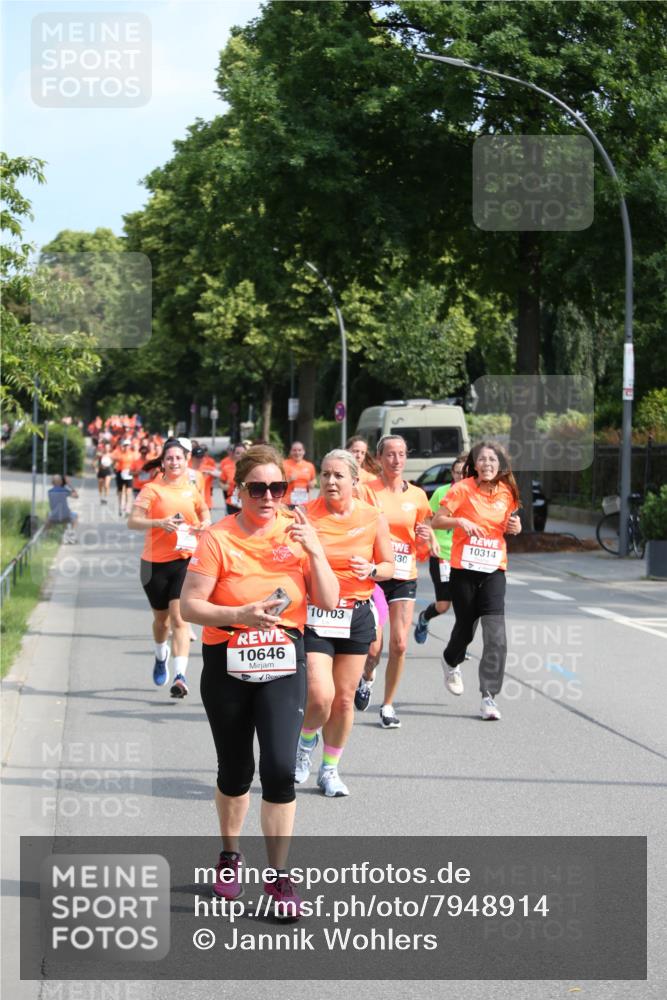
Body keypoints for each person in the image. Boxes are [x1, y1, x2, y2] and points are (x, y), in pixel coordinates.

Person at [179, 445, 338, 917]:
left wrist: (315, 551)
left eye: (277, 488)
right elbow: (190, 605)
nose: (268, 497)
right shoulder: (217, 537)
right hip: (226, 658)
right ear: (239, 490)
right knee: (235, 771)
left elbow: (328, 601)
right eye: (258, 488)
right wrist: (239, 614)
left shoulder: (298, 530)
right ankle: (230, 855)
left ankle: (279, 878)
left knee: (278, 769)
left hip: (284, 660)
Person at [294, 449, 393, 796]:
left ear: (355, 480)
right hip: (317, 615)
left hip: (356, 613)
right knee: (320, 696)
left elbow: (390, 565)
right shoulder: (306, 515)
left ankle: (330, 770)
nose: (330, 481)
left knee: (344, 700)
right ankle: (304, 747)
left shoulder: (372, 516)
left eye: (338, 475)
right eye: (325, 474)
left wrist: (374, 570)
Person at [431, 441, 522, 721]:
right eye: (481, 460)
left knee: (496, 637)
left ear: (500, 465)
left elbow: (511, 523)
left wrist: (517, 527)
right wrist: (460, 523)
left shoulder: (507, 493)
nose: (486, 464)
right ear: (475, 464)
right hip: (464, 569)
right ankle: (450, 659)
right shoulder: (462, 489)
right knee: (466, 629)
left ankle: (488, 697)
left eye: (492, 460)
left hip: (494, 569)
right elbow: (437, 520)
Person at [355, 434, 437, 728]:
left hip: (404, 575)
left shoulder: (417, 495)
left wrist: (426, 538)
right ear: (378, 459)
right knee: (373, 648)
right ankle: (366, 677)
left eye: (402, 454)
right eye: (390, 454)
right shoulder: (366, 492)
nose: (397, 460)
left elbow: (423, 533)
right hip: (375, 576)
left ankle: (387, 705)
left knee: (400, 644)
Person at [127, 438, 210, 698]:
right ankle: (160, 654)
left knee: (179, 619)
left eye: (179, 458)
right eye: (170, 458)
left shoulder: (192, 489)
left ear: (186, 462)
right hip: (153, 565)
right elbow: (133, 521)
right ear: (163, 462)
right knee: (161, 622)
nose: (175, 462)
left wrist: (203, 525)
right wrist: (159, 523)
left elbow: (205, 514)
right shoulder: (152, 489)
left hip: (184, 560)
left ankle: (180, 676)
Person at [413, 455, 474, 693]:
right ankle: (425, 618)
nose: (460, 476)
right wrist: (432, 543)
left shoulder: (472, 494)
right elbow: (429, 520)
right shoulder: (441, 493)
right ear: (452, 473)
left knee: (465, 607)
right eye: (457, 472)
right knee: (443, 605)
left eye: (464, 472)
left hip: (464, 558)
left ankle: (457, 648)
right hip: (442, 556)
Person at [46, 475, 79, 543]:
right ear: (61, 482)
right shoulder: (65, 491)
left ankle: (47, 535)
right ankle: (71, 535)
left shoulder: (49, 492)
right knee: (75, 516)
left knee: (48, 514)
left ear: (52, 483)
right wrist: (69, 484)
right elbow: (76, 496)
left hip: (53, 518)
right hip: (66, 517)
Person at [283, 441, 317, 506]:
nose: (297, 453)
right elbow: (278, 483)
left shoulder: (309, 465)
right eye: (294, 450)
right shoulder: (284, 464)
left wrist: (313, 483)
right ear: (290, 452)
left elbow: (314, 480)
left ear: (304, 452)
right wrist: (289, 479)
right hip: (287, 502)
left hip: (305, 502)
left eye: (299, 450)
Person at [112, 439, 135, 516]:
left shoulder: (132, 454)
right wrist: (115, 466)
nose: (126, 447)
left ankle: (127, 508)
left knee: (128, 491)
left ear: (130, 446)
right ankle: (120, 507)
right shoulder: (119, 454)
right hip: (120, 473)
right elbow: (114, 462)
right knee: (121, 491)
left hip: (129, 473)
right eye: (125, 445)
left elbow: (135, 464)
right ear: (123, 446)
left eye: (128, 445)